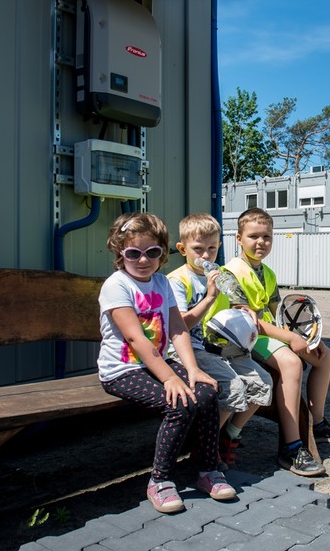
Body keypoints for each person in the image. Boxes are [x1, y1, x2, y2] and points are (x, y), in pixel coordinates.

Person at [97, 212, 235, 514]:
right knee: (180, 403)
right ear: (120, 253)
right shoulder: (117, 285)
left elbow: (176, 329)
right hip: (121, 371)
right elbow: (137, 340)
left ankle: (207, 470)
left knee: (207, 392)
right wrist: (171, 378)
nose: (143, 259)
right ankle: (159, 480)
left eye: (153, 252)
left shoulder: (161, 283)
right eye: (134, 252)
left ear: (163, 252)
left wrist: (192, 370)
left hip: (154, 366)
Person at [220, 207, 330, 477]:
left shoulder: (267, 273)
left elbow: (278, 313)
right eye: (253, 236)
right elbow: (249, 322)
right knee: (291, 363)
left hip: (268, 334)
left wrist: (307, 337)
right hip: (244, 337)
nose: (261, 242)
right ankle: (291, 446)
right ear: (238, 238)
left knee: (323, 356)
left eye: (267, 237)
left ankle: (318, 422)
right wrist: (291, 339)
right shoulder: (231, 272)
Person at [167, 213, 273, 471]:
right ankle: (204, 447)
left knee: (262, 383)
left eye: (212, 249)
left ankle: (229, 435)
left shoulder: (221, 274)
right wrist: (210, 297)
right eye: (198, 250)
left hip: (219, 345)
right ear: (182, 249)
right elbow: (180, 327)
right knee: (233, 387)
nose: (205, 256)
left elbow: (238, 302)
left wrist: (244, 310)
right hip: (185, 350)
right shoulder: (177, 280)